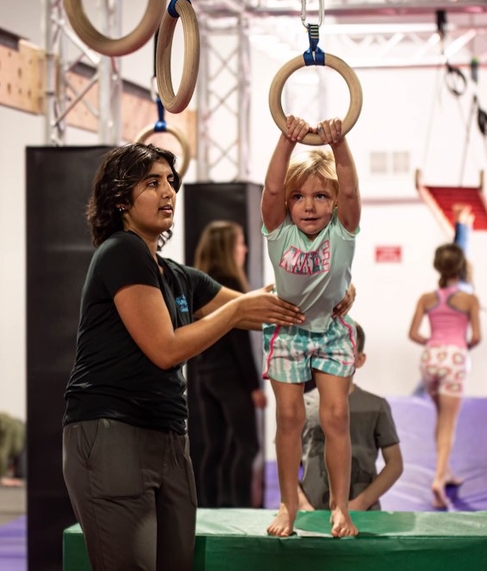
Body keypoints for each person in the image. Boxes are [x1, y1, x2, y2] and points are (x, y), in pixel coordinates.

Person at [62, 143, 344, 571]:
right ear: (120, 200)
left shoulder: (176, 275)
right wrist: (236, 312)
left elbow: (272, 306)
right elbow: (165, 349)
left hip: (169, 437)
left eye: (170, 182)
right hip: (111, 431)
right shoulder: (121, 251)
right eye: (152, 183)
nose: (168, 192)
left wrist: (336, 288)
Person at [262, 116, 361, 539]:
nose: (309, 205)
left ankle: (340, 507)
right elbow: (271, 190)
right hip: (289, 330)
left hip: (332, 330)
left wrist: (339, 146)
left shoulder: (342, 230)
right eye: (299, 196)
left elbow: (351, 190)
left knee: (336, 416)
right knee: (289, 416)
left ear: (335, 203)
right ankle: (288, 504)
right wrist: (287, 141)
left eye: (321, 196)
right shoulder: (279, 231)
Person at [188, 220, 266, 508]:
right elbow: (239, 342)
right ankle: (241, 508)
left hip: (205, 377)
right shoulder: (227, 287)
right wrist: (254, 386)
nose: (244, 249)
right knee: (248, 446)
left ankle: (207, 508)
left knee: (217, 447)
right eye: (240, 243)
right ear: (227, 249)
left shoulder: (200, 285)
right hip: (230, 378)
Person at [297, 323, 403, 513]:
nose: (336, 357)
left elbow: (395, 463)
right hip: (311, 512)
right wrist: (301, 503)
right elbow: (286, 460)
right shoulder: (303, 405)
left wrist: (362, 502)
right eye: (329, 349)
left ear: (359, 359)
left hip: (363, 515)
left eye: (345, 350)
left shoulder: (376, 406)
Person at [408, 243, 482, 509]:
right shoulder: (469, 300)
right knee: (448, 422)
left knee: (441, 417)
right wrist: (460, 347)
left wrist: (433, 343)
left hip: (431, 359)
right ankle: (439, 479)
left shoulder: (426, 298)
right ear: (461, 267)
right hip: (455, 359)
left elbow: (413, 334)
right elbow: (476, 337)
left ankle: (445, 469)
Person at [412, 203, 475, 397]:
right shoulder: (464, 293)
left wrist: (434, 342)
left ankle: (463, 224)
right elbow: (458, 260)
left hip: (435, 353)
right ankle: (463, 224)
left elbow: (413, 333)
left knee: (425, 390)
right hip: (455, 353)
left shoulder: (431, 297)